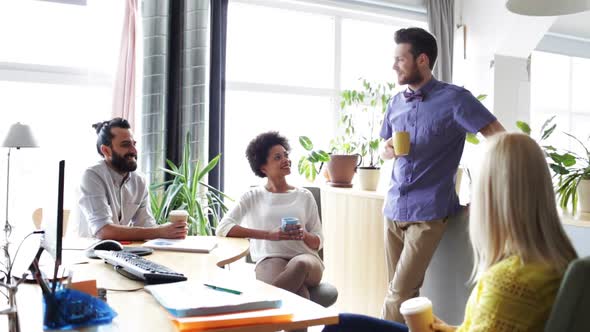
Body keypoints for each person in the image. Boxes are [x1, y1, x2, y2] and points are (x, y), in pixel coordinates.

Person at [324, 133, 578, 332]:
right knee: (347, 323)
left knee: (344, 326)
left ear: (491, 197)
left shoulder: (509, 281)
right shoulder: (561, 264)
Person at [379, 27, 506, 322]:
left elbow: (500, 138)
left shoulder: (455, 100)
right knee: (405, 296)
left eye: (400, 59)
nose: (394, 66)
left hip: (429, 212)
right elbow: (383, 147)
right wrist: (387, 150)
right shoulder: (395, 102)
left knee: (397, 294)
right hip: (393, 208)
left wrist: (487, 191)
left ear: (422, 60)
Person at [216, 131, 324, 300]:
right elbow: (223, 228)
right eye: (277, 157)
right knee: (300, 295)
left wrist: (304, 234)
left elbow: (319, 241)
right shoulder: (252, 196)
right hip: (269, 260)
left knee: (300, 264)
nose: (286, 160)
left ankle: (256, 308)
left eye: (286, 155)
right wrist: (268, 235)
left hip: (307, 260)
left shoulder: (304, 196)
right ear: (263, 167)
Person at [78, 117, 187, 240]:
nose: (134, 151)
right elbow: (103, 231)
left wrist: (171, 232)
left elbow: (146, 226)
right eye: (125, 145)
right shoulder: (92, 176)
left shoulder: (139, 180)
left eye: (134, 144)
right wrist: (160, 232)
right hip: (89, 253)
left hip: (121, 253)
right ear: (106, 150)